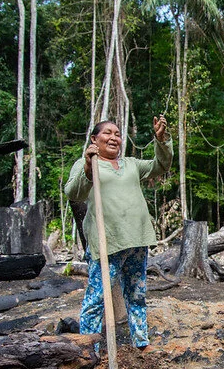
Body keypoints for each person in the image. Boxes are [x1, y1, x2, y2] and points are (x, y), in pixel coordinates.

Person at [65, 116, 172, 349]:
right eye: (107, 133)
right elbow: (73, 193)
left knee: (137, 295)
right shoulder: (88, 164)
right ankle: (88, 350)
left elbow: (161, 165)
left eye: (117, 134)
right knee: (96, 299)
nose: (114, 137)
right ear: (94, 139)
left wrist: (162, 141)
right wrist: (87, 167)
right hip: (108, 242)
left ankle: (141, 342)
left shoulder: (131, 164)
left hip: (136, 239)